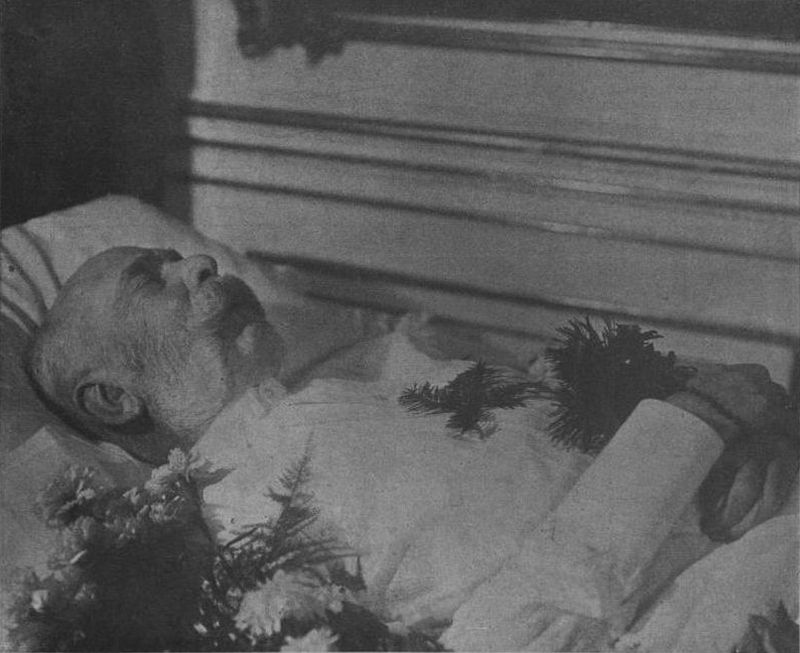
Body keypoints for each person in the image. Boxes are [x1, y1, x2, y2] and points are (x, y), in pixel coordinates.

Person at [26, 247, 798, 645]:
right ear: (113, 399)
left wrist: (747, 441)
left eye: (178, 256)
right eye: (152, 279)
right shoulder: (257, 520)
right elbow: (512, 635)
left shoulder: (353, 385)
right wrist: (694, 422)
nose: (199, 263)